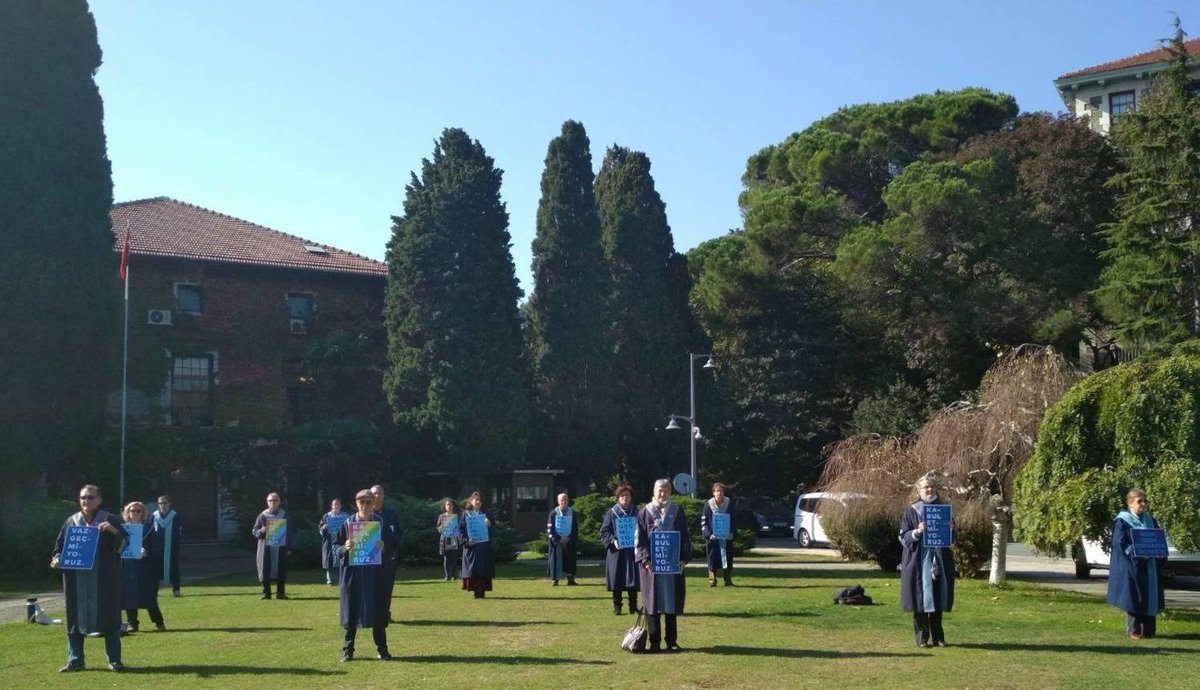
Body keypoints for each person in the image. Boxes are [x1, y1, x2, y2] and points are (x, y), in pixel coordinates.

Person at [51, 484, 129, 672]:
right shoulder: (71, 521)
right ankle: (76, 660)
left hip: (104, 579)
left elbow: (126, 545)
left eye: (91, 497)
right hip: (76, 580)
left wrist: (114, 531)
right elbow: (59, 547)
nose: (86, 501)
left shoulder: (109, 520)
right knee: (74, 618)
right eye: (83, 498)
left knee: (109, 618)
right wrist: (56, 558)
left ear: (99, 500)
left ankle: (115, 660)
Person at [336, 489, 397, 661]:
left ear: (373, 503)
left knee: (378, 612)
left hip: (375, 575)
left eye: (368, 502)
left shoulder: (380, 524)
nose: (365, 505)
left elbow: (394, 546)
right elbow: (335, 548)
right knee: (351, 612)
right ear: (356, 504)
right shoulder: (347, 524)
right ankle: (348, 651)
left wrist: (383, 546)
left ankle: (383, 650)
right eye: (361, 502)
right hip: (353, 576)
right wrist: (344, 548)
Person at [899, 475, 956, 648]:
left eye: (931, 487)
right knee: (920, 600)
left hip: (939, 563)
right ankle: (922, 638)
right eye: (925, 487)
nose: (929, 490)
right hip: (918, 562)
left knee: (938, 599)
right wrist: (917, 531)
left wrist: (952, 529)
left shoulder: (944, 510)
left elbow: (951, 540)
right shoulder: (912, 511)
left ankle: (939, 638)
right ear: (918, 490)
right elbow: (903, 537)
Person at [635, 479, 691, 653]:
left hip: (672, 567)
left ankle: (672, 641)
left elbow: (685, 537)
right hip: (651, 568)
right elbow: (639, 540)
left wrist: (683, 558)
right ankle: (654, 642)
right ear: (654, 491)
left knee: (671, 603)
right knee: (652, 604)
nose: (662, 494)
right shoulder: (644, 512)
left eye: (666, 490)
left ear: (670, 492)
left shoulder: (677, 512)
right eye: (660, 490)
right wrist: (646, 561)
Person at [1107, 488, 1167, 640]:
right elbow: (1119, 543)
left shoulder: (1150, 519)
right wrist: (1137, 553)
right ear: (1131, 503)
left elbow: (1157, 538)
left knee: (1151, 596)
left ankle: (1149, 630)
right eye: (1140, 501)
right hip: (1133, 565)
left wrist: (1160, 552)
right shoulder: (1123, 520)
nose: (1143, 504)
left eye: (1145, 501)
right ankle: (1133, 630)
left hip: (1150, 565)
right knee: (1135, 596)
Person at [120, 501, 166, 633]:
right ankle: (132, 623)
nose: (135, 513)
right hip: (127, 566)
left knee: (148, 596)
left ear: (143, 513)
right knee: (129, 595)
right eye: (132, 511)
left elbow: (157, 547)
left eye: (138, 511)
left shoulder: (149, 528)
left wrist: (146, 551)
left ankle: (159, 622)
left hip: (144, 567)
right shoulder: (122, 529)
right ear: (127, 513)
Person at [600, 484, 639, 614]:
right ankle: (617, 607)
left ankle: (633, 607)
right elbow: (604, 531)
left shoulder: (637, 512)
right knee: (617, 579)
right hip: (617, 551)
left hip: (632, 551)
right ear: (618, 497)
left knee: (633, 579)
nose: (624, 498)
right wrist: (612, 540)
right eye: (622, 496)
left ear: (631, 497)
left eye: (627, 495)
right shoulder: (612, 513)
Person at [252, 492, 292, 599]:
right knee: (265, 569)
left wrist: (289, 547)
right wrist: (262, 530)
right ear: (267, 502)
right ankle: (266, 593)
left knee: (281, 569)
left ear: (279, 502)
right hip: (266, 548)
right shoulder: (262, 516)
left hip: (280, 547)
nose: (273, 502)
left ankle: (280, 593)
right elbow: (254, 531)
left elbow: (289, 532)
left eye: (275, 500)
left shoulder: (284, 515)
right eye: (270, 500)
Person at [371, 484, 402, 620]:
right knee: (370, 588)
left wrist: (390, 548)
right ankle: (371, 614)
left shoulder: (391, 514)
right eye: (375, 494)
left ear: (384, 495)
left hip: (387, 559)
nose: (377, 496)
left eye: (380, 493)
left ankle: (385, 614)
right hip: (369, 559)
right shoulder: (366, 515)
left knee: (386, 588)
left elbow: (398, 534)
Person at [458, 491, 494, 599]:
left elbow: (494, 530)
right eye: (476, 500)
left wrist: (490, 524)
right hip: (471, 547)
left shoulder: (486, 514)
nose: (478, 502)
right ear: (471, 501)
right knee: (473, 570)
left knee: (483, 569)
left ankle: (482, 590)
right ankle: (474, 590)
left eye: (480, 500)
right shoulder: (466, 514)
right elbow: (460, 530)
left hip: (483, 547)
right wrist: (466, 541)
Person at [701, 482, 735, 587]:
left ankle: (727, 580)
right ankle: (712, 580)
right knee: (712, 559)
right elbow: (704, 522)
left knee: (728, 558)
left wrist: (732, 533)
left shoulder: (729, 504)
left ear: (724, 492)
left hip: (726, 537)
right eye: (717, 491)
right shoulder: (708, 505)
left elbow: (734, 520)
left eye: (721, 491)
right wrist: (708, 534)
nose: (719, 493)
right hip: (713, 537)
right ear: (713, 493)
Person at [151, 495, 182, 597]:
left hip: (171, 547)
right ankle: (154, 590)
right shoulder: (154, 516)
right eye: (160, 503)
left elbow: (178, 532)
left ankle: (176, 589)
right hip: (157, 548)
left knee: (173, 567)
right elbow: (151, 531)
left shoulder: (175, 516)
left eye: (165, 503)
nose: (162, 505)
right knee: (155, 569)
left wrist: (176, 545)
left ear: (169, 504)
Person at [547, 492, 579, 586]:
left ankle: (570, 579)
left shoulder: (572, 513)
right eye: (562, 500)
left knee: (570, 560)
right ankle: (555, 580)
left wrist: (570, 537)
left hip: (569, 540)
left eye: (565, 500)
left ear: (568, 501)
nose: (564, 502)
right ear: (558, 501)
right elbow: (550, 528)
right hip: (557, 541)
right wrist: (557, 538)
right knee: (556, 560)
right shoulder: (553, 513)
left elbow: (575, 527)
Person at [319, 499, 348, 586]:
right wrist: (324, 528)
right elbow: (320, 529)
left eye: (338, 504)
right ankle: (329, 580)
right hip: (329, 541)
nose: (336, 506)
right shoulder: (327, 516)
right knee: (329, 560)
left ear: (340, 506)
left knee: (342, 558)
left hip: (341, 540)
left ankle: (342, 578)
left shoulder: (345, 516)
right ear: (332, 506)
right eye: (334, 505)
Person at [435, 498, 461, 581]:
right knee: (446, 559)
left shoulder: (457, 516)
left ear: (453, 506)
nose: (449, 506)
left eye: (451, 504)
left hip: (454, 539)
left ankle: (454, 575)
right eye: (447, 504)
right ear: (445, 506)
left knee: (454, 558)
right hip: (445, 539)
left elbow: (460, 527)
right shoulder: (441, 516)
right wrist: (442, 527)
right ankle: (447, 575)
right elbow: (438, 528)